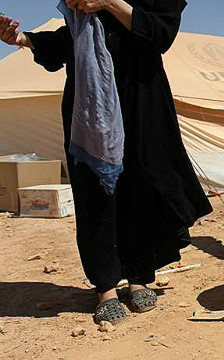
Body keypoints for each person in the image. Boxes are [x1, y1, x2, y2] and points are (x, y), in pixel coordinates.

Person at [0, 0, 212, 324]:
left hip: (141, 102)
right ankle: (106, 286)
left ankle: (139, 275)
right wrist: (21, 40)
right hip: (90, 113)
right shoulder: (84, 14)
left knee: (142, 187)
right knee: (94, 192)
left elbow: (160, 33)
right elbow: (64, 42)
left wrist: (110, 2)